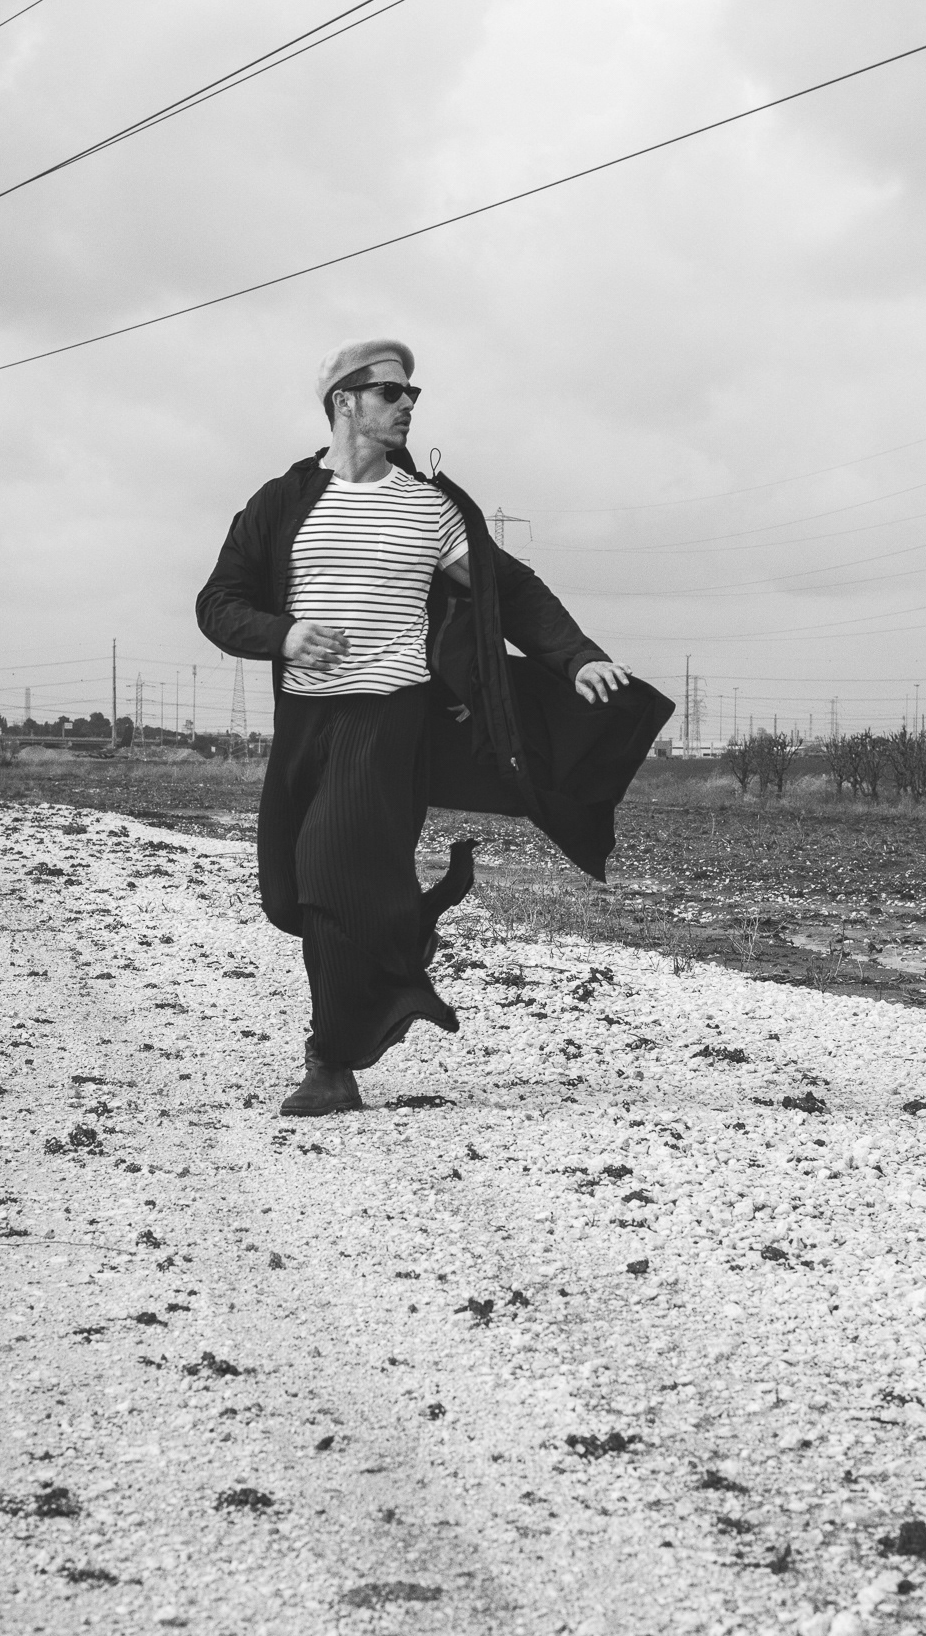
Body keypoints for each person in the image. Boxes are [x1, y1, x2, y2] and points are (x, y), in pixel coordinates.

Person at [196, 336, 674, 1117]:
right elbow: (218, 603)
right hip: (305, 720)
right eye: (391, 392)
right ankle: (402, 929)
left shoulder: (430, 509)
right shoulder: (282, 503)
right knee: (289, 897)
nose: (407, 404)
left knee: (330, 878)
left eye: (412, 394)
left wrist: (577, 658)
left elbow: (509, 591)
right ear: (344, 401)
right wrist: (282, 635)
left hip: (390, 719)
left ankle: (330, 1063)